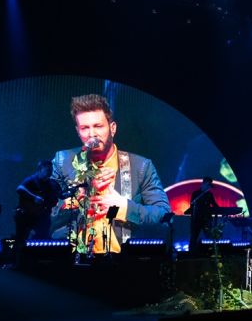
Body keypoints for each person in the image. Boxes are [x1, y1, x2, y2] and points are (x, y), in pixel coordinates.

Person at [52, 94, 171, 255]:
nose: (92, 134)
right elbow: (45, 212)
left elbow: (164, 216)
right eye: (84, 128)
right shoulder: (63, 161)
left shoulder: (141, 166)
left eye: (98, 126)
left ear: (112, 128)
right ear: (77, 131)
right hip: (71, 259)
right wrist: (78, 196)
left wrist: (123, 206)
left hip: (122, 262)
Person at [12, 159, 62, 267]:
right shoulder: (31, 180)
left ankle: (38, 263)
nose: (50, 172)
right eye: (47, 169)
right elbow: (19, 188)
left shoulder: (51, 184)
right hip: (25, 216)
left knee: (42, 238)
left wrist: (68, 193)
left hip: (41, 217)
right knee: (21, 240)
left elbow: (60, 195)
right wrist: (34, 197)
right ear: (40, 170)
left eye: (51, 169)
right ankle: (17, 263)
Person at [187, 177, 218, 255]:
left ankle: (210, 253)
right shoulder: (196, 194)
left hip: (207, 219)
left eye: (209, 185)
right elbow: (191, 205)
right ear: (203, 183)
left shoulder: (209, 194)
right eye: (207, 184)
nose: (208, 186)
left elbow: (215, 205)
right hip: (196, 220)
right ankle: (191, 254)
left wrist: (222, 210)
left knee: (210, 237)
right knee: (194, 237)